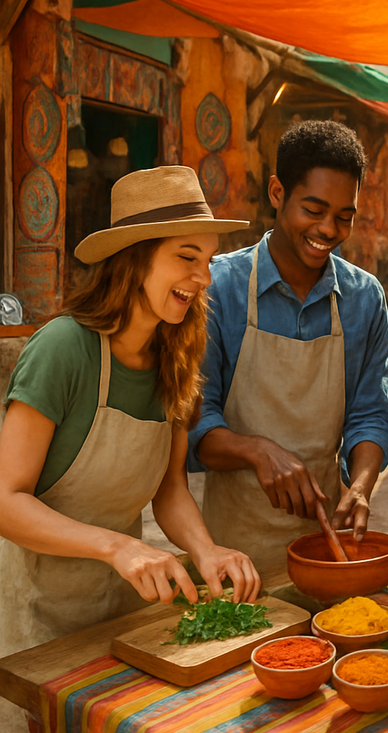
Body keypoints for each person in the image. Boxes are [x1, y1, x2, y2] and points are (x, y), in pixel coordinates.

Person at [0, 167, 259, 727]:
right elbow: (6, 500)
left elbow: (169, 490)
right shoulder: (63, 349)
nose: (204, 277)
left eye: (209, 260)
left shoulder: (177, 356)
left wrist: (207, 550)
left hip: (120, 616)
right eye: (187, 257)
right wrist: (118, 547)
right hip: (36, 621)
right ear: (136, 256)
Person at [189, 121, 388, 570]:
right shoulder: (218, 287)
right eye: (314, 210)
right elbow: (197, 428)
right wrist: (257, 450)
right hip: (234, 555)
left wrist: (360, 486)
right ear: (277, 192)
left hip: (324, 546)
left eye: (344, 216)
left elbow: (370, 416)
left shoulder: (363, 298)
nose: (328, 229)